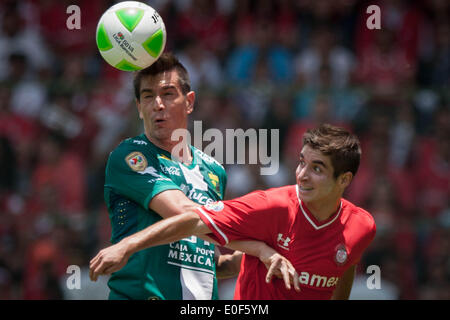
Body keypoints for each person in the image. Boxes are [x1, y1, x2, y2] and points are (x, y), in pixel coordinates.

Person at [90, 124, 376, 299]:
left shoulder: (362, 226)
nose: (302, 175)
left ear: (344, 180)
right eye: (302, 162)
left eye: (317, 169)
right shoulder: (271, 206)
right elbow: (193, 220)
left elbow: (345, 265)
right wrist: (129, 244)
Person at [96, 52, 296, 300]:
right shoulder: (130, 156)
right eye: (148, 96)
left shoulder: (213, 170)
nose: (158, 104)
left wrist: (251, 258)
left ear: (189, 102)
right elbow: (187, 214)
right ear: (139, 107)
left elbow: (206, 259)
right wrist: (260, 248)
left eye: (168, 94)